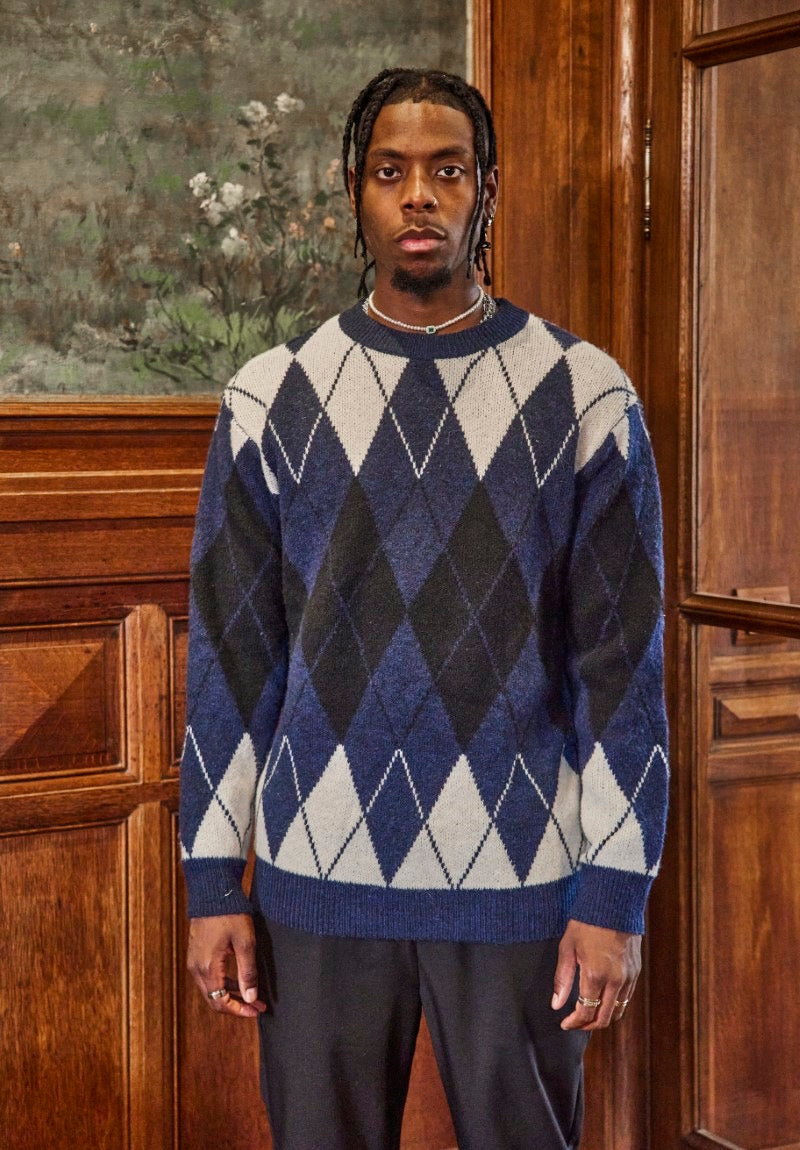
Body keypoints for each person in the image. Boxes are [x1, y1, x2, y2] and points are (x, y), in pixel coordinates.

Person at [179, 68, 669, 1150]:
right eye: (390, 171)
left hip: (523, 882)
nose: (418, 196)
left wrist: (613, 895)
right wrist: (212, 880)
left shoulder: (585, 393)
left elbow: (621, 670)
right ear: (353, 191)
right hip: (314, 883)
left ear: (485, 189)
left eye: (447, 170)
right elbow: (231, 658)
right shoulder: (269, 396)